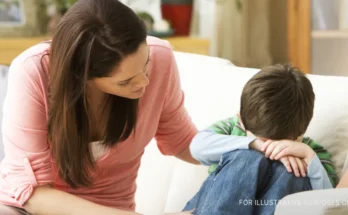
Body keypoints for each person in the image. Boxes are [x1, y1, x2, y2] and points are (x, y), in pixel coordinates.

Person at [0, 0, 204, 214]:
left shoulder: (160, 57)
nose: (144, 82)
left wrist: (234, 143)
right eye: (125, 82)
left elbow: (182, 140)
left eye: (145, 66)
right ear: (82, 76)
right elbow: (34, 195)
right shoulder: (33, 71)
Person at [184, 64, 337, 215]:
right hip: (211, 208)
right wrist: (253, 145)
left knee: (294, 172)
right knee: (247, 157)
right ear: (241, 120)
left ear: (300, 135)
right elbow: (197, 147)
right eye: (264, 142)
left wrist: (309, 158)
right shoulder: (232, 130)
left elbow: (330, 206)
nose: (270, 149)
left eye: (280, 144)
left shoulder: (310, 152)